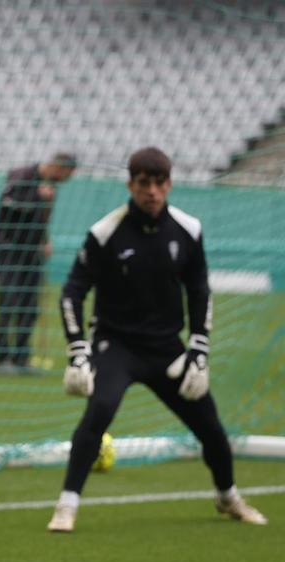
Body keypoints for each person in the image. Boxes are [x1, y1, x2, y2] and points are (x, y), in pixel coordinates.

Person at [47, 147, 267, 532]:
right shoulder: (105, 233)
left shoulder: (188, 230)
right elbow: (72, 291)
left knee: (211, 427)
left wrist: (199, 348)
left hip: (167, 349)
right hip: (115, 346)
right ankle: (67, 505)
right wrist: (77, 350)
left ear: (169, 184)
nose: (152, 191)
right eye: (144, 183)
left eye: (159, 183)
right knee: (99, 411)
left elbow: (199, 290)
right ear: (131, 185)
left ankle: (228, 497)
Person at [0, 153, 77, 373]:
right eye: (66, 174)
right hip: (8, 247)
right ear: (59, 167)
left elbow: (40, 220)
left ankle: (21, 357)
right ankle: (2, 359)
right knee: (9, 299)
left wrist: (45, 241)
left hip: (32, 250)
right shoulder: (22, 176)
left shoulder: (49, 186)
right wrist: (36, 196)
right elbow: (9, 203)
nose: (65, 180)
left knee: (30, 305)